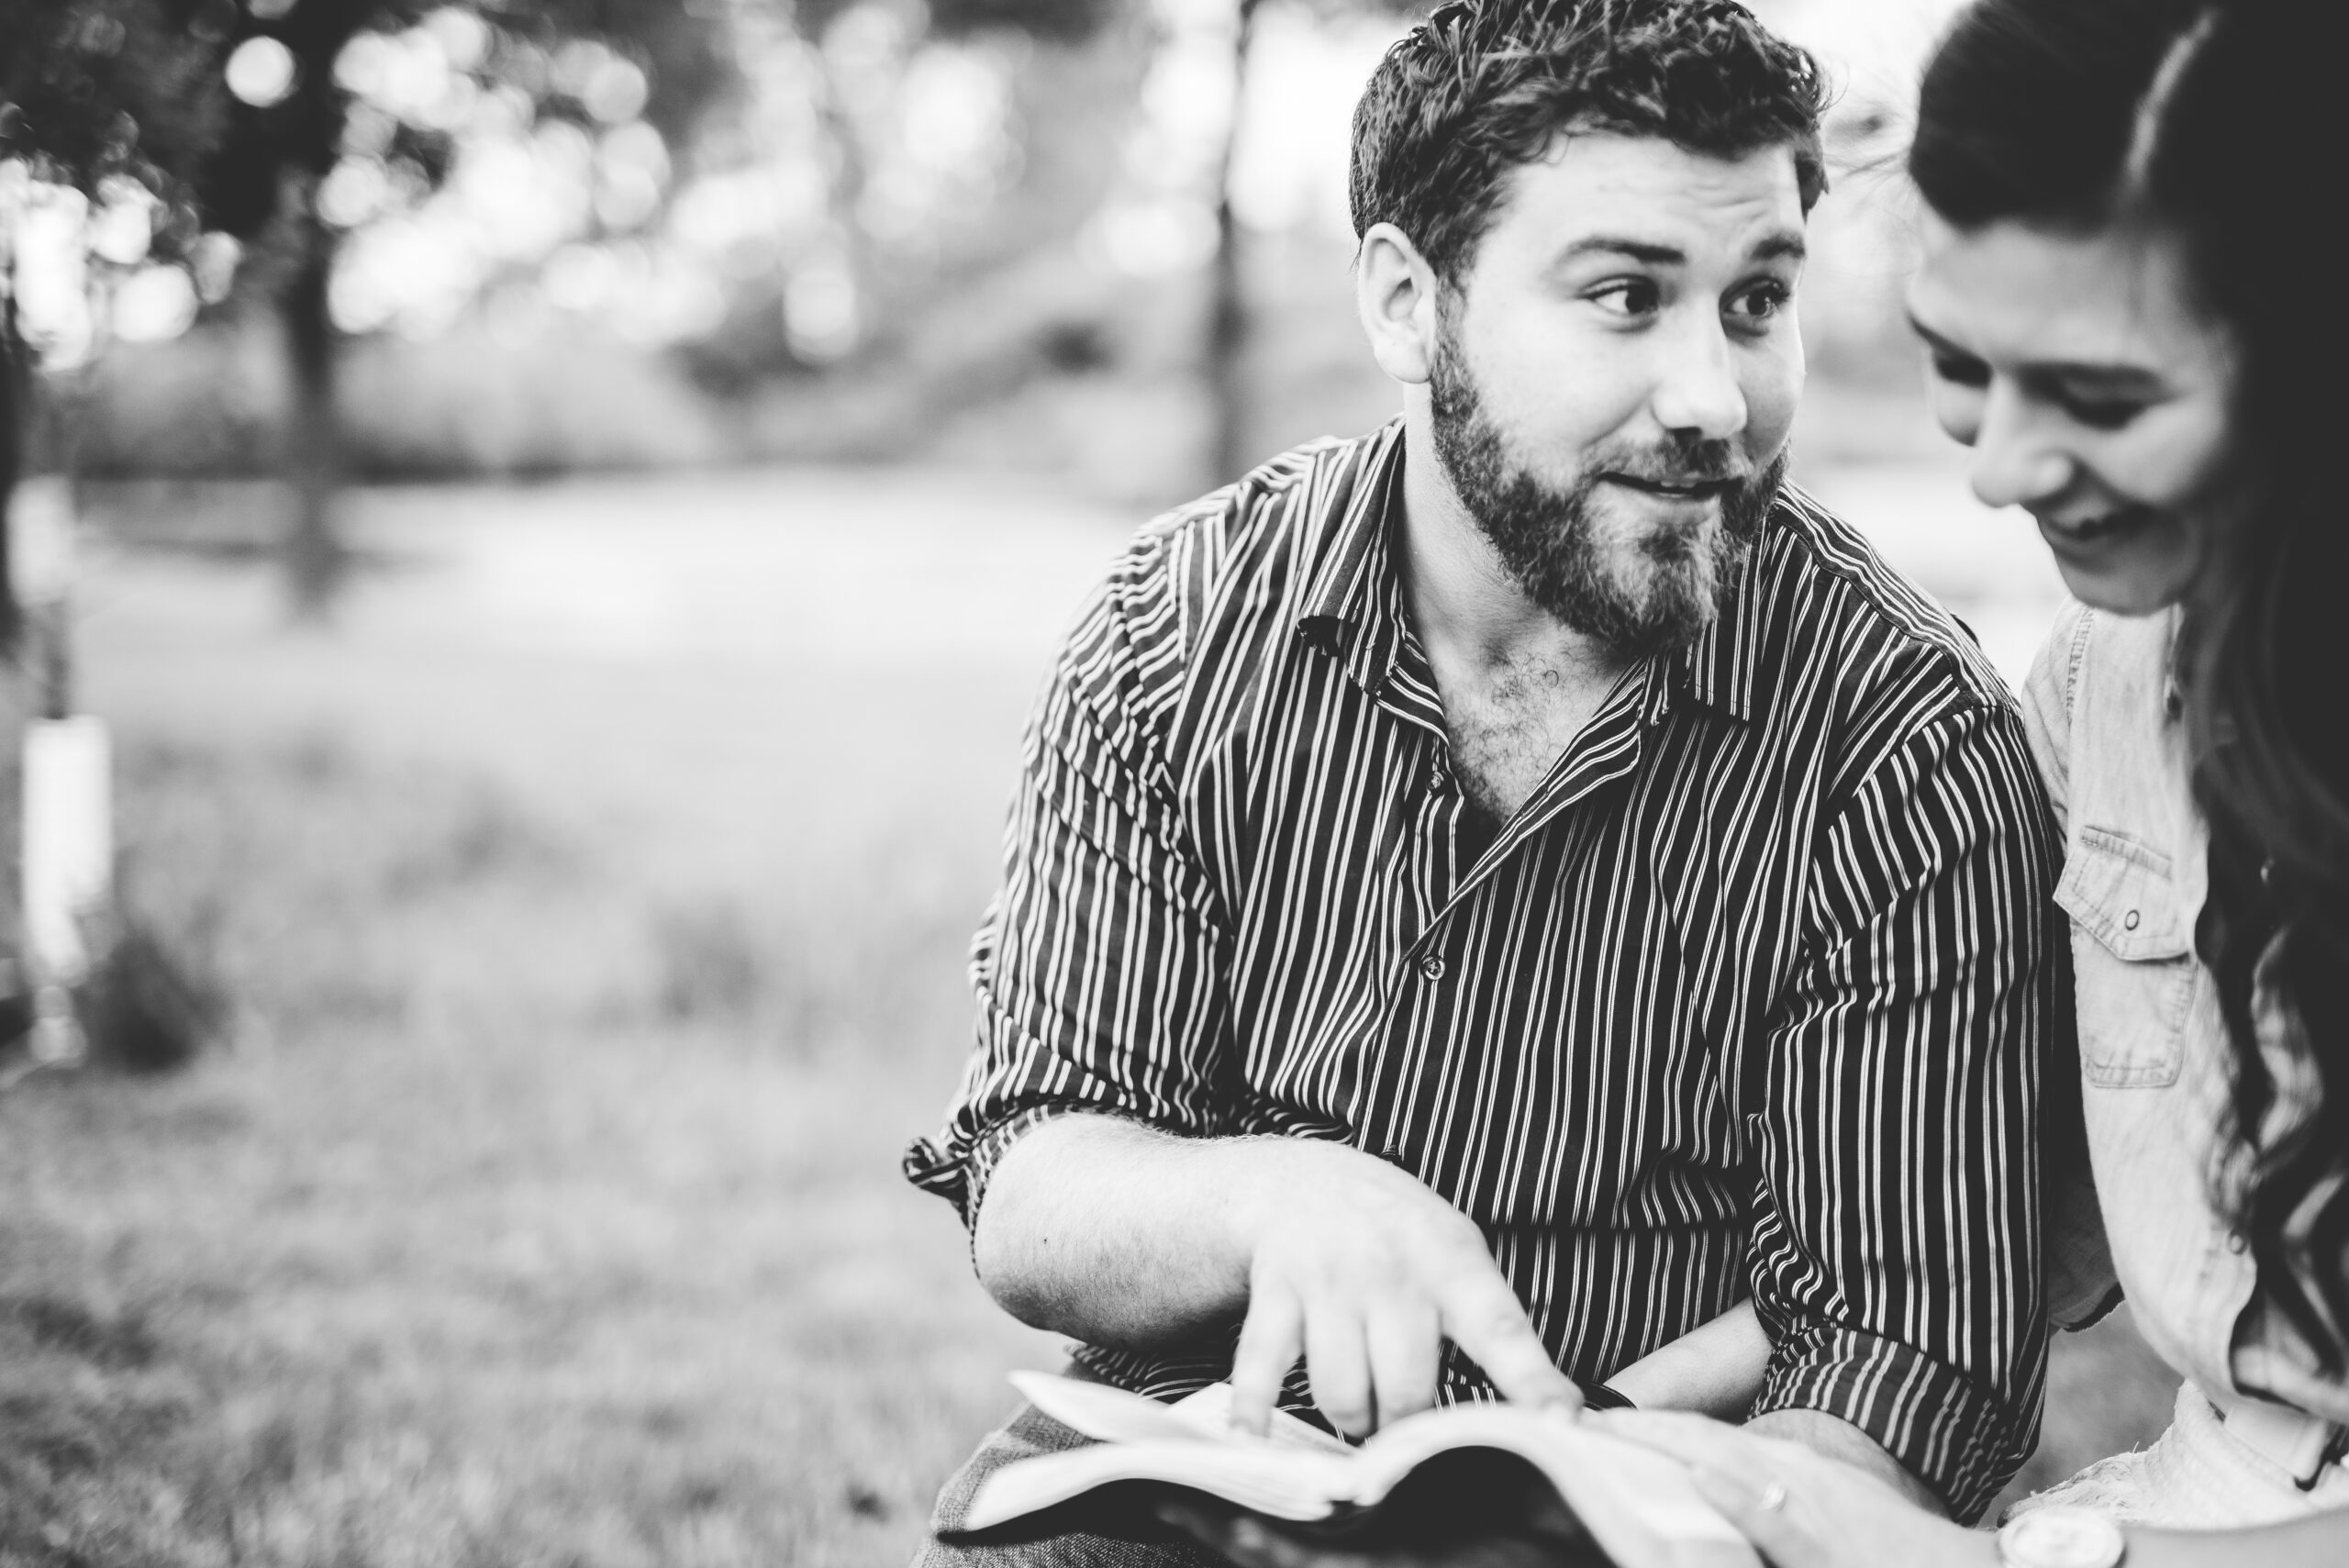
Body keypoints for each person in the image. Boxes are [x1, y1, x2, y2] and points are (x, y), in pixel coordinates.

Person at [904, 0, 2065, 1561]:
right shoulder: (1169, 635)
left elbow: (1908, 1370)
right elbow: (1040, 1176)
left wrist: (1577, 1501)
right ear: (1406, 301)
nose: (1715, 397)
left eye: (1755, 299)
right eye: (1624, 296)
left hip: (1676, 1510)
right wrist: (1283, 1197)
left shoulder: (1904, 739)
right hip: (1221, 1476)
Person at [1558, 1, 2349, 1563]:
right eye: (1965, 363)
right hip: (2192, 1502)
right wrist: (1576, 1427)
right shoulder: (2107, 694)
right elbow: (1994, 1229)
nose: (2000, 468)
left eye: (2106, 399)